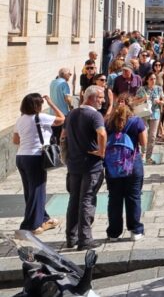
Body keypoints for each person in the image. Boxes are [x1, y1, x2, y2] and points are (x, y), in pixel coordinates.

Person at [62, 85, 107, 251]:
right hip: (91, 165)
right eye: (100, 97)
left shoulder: (71, 114)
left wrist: (67, 155)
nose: (103, 101)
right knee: (87, 200)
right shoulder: (95, 115)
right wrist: (101, 152)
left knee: (74, 200)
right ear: (92, 98)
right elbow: (102, 133)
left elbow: (63, 136)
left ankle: (71, 237)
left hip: (74, 164)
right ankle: (85, 240)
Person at [14, 93, 65, 233]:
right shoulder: (41, 117)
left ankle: (43, 218)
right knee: (38, 190)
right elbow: (62, 119)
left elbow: (16, 140)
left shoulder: (20, 120)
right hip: (35, 157)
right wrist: (51, 103)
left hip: (21, 157)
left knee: (30, 190)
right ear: (37, 105)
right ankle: (32, 225)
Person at [104, 102, 147, 241]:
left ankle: (113, 233)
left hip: (113, 164)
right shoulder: (136, 122)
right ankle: (135, 231)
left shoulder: (107, 123)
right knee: (133, 196)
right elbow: (143, 142)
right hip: (132, 163)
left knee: (114, 198)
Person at [136, 72, 163, 165]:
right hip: (144, 114)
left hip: (155, 114)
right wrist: (143, 98)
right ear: (147, 80)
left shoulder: (159, 89)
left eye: (154, 79)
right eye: (151, 79)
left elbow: (163, 101)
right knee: (144, 134)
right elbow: (135, 101)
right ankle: (143, 154)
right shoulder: (142, 89)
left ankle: (148, 157)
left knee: (152, 136)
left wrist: (159, 102)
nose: (153, 81)